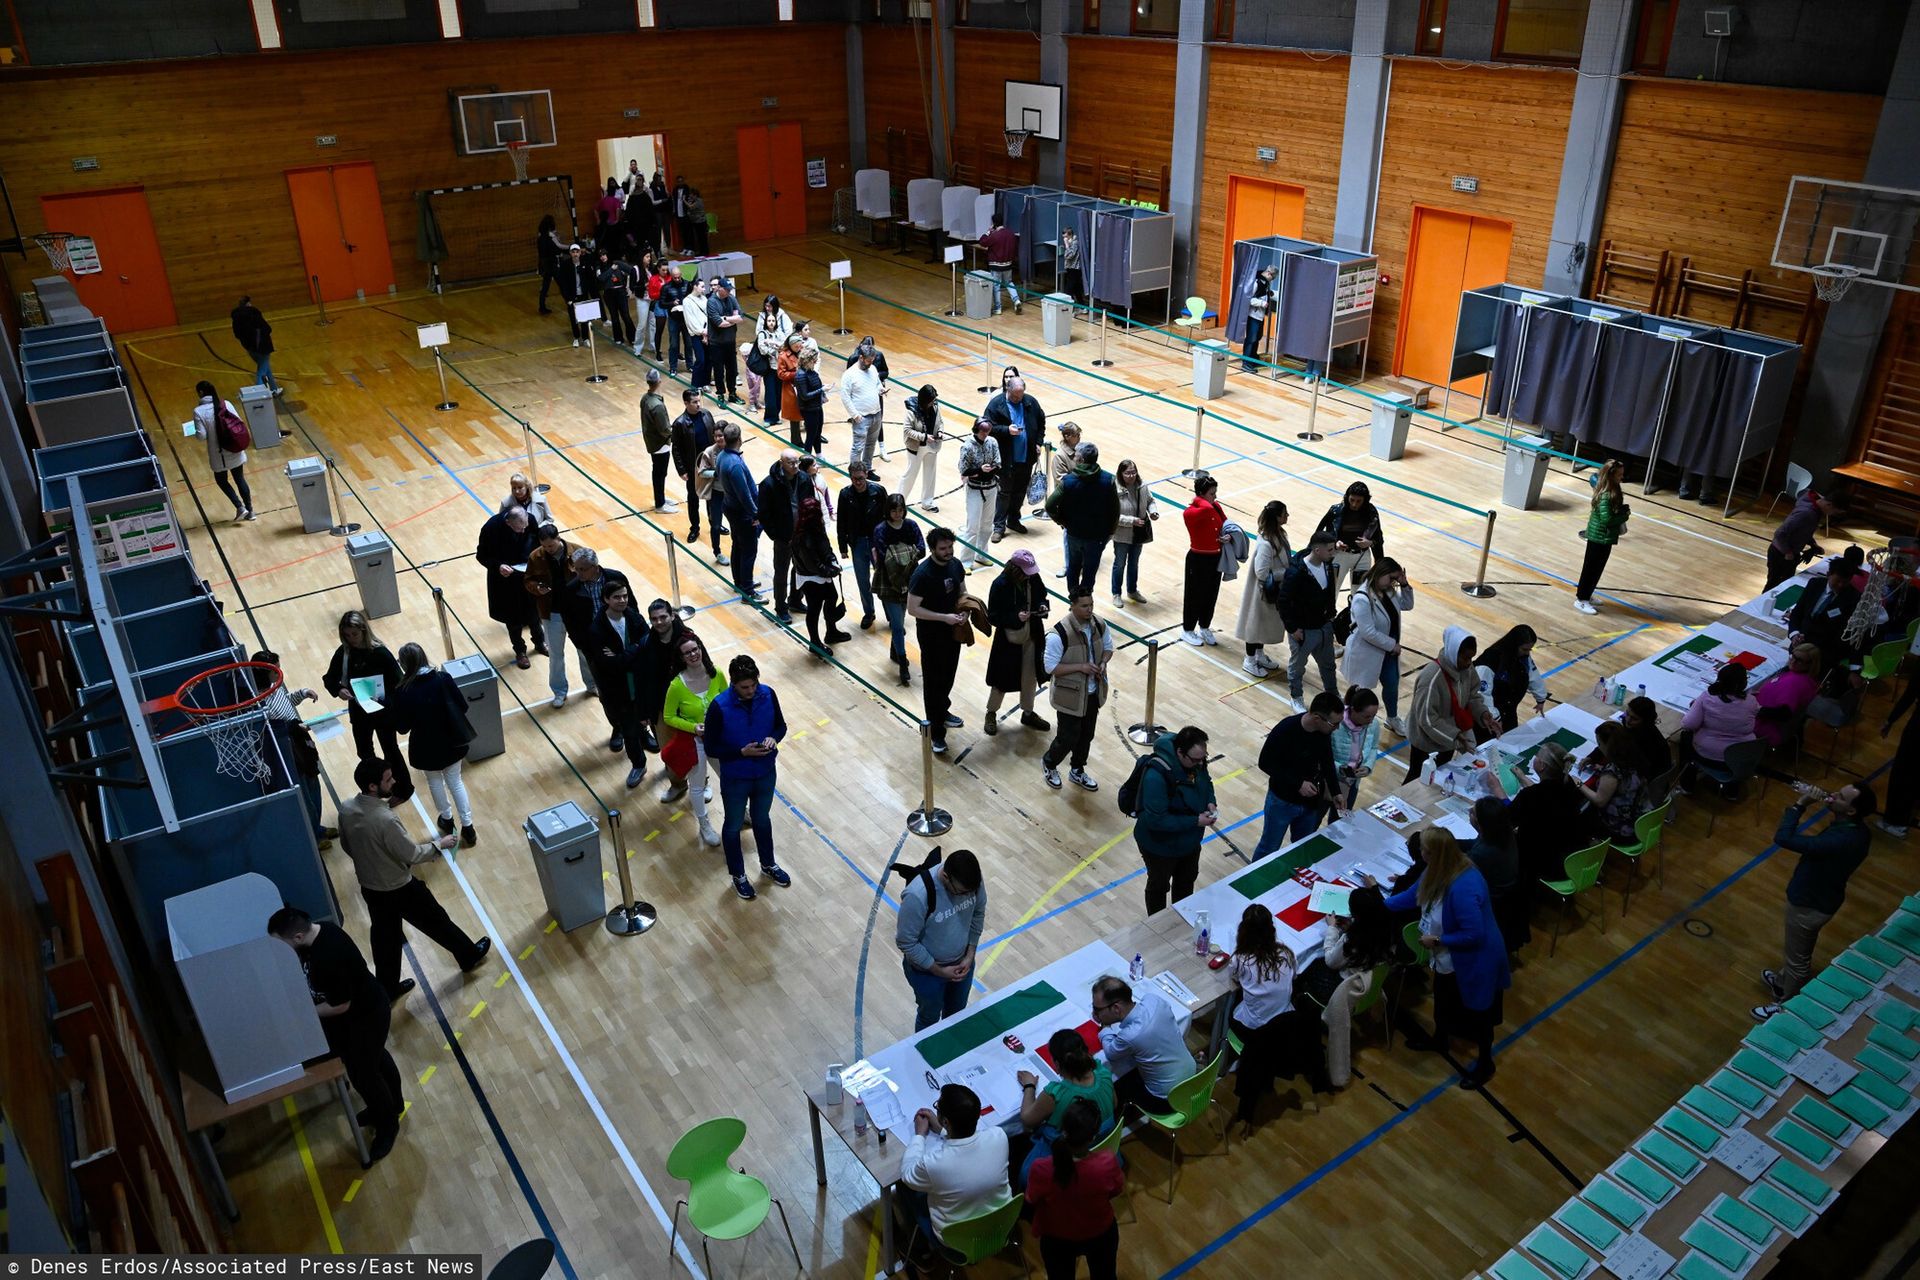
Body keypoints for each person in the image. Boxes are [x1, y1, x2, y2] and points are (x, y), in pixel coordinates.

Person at [335, 754, 491, 1006]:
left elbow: (346, 844)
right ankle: (468, 955)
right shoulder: (385, 819)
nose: (394, 781)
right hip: (399, 887)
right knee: (436, 920)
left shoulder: (347, 809)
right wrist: (439, 845)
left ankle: (387, 987)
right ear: (372, 786)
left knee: (385, 939)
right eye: (388, 779)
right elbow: (411, 853)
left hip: (370, 888)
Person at [266, 907, 406, 1163]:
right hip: (356, 1017)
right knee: (376, 1060)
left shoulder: (328, 953)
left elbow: (341, 1004)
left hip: (367, 1015)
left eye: (280, 945)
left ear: (297, 937)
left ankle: (388, 1125)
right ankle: (391, 1105)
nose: (278, 951)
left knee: (364, 1075)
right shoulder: (316, 935)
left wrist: (302, 1012)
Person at [1373, 829, 1508, 1088]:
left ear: (1432, 853)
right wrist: (1377, 906)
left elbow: (1474, 934)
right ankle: (1440, 1038)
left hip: (1476, 960)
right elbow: (1412, 895)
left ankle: (1484, 1063)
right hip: (1449, 957)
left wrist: (1438, 941)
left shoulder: (1464, 885)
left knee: (1480, 1015)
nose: (1420, 853)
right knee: (1444, 999)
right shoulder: (1436, 868)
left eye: (1423, 849)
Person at [1753, 782, 1875, 1019]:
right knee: (1793, 951)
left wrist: (1800, 805)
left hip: (1810, 904)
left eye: (1840, 796)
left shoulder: (1841, 840)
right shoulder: (1858, 830)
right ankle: (1781, 982)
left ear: (1851, 811)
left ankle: (1786, 1007)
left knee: (1799, 960)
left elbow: (1784, 838)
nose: (1833, 794)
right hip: (1821, 896)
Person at [704, 655, 793, 901]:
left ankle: (768, 864)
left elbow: (781, 726)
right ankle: (738, 876)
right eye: (745, 687)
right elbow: (711, 748)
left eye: (754, 685)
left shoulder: (768, 694)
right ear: (733, 683)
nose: (751, 691)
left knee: (762, 819)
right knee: (733, 826)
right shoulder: (719, 707)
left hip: (765, 772)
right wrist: (740, 752)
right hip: (736, 778)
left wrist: (774, 738)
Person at [1228, 905, 1325, 1131]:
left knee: (1232, 1005)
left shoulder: (1240, 960)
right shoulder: (1286, 953)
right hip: (1285, 1024)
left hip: (1255, 1030)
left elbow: (1234, 980)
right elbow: (1293, 978)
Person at [898, 1085, 1012, 1256]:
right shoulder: (998, 1136)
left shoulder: (934, 1163)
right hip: (1000, 1227)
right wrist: (945, 1131)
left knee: (904, 1187)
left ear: (946, 1121)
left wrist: (919, 1135)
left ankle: (920, 1251)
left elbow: (907, 1173)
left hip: (956, 1243)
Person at [386, 644, 477, 844]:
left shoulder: (403, 690)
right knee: (456, 781)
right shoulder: (443, 679)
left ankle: (446, 819)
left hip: (425, 747)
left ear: (404, 664)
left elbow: (402, 727)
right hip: (452, 742)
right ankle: (468, 827)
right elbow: (462, 706)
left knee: (435, 782)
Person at [1311, 885, 1400, 1088]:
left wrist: (1332, 928)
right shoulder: (1386, 931)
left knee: (1307, 970)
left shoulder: (1355, 939)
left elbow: (1331, 961)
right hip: (1371, 986)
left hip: (1344, 987)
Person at [1024, 1099, 1124, 1280]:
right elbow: (1116, 1190)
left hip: (1057, 1239)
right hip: (1101, 1233)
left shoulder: (1041, 1168)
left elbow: (1031, 1198)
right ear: (1093, 1136)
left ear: (1063, 1130)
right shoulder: (1107, 1162)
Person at [322, 611, 412, 803]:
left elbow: (399, 682)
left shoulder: (380, 653)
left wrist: (385, 699)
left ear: (364, 631)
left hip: (382, 711)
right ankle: (375, 790)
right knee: (364, 752)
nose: (351, 639)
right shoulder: (344, 653)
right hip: (359, 711)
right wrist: (339, 690)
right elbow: (329, 678)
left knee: (391, 750)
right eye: (347, 635)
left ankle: (403, 790)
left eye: (354, 634)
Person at [896, 849, 987, 1031]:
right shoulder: (917, 895)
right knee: (928, 1019)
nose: (965, 896)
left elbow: (978, 913)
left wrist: (970, 955)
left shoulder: (971, 882)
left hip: (963, 965)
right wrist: (939, 971)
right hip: (927, 974)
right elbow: (906, 942)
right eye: (960, 892)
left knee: (956, 1015)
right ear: (945, 876)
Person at [1133, 726, 1218, 914]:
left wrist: (1211, 801)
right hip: (1159, 846)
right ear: (1180, 752)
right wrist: (1195, 821)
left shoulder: (1196, 761)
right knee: (1158, 886)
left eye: (1203, 758)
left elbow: (1206, 782)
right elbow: (1157, 821)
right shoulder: (1157, 776)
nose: (1199, 763)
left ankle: (1182, 918)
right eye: (1195, 759)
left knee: (1186, 882)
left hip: (1189, 842)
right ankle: (1157, 925)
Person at [251, 650, 332, 847]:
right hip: (289, 751)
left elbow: (286, 701)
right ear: (264, 672)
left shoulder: (274, 687)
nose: (279, 672)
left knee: (314, 785)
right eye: (275, 669)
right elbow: (273, 731)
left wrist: (302, 694)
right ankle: (313, 836)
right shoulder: (257, 702)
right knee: (304, 793)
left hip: (301, 742)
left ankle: (317, 827)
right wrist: (295, 727)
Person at [1015, 1032, 1117, 1181]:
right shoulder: (1103, 1073)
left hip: (1064, 1158)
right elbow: (1114, 1104)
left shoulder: (1057, 1093)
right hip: (1103, 1147)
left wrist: (1029, 1086)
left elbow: (1027, 1119)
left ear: (1057, 1064)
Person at [1253, 691, 1345, 856]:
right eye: (1334, 724)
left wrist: (1336, 791)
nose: (1337, 728)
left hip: (1310, 803)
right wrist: (1298, 783)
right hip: (1282, 801)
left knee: (1302, 847)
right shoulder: (1286, 729)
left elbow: (1327, 762)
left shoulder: (1324, 733)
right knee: (1269, 847)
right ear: (1317, 718)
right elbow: (1265, 763)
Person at [555, 548, 630, 748]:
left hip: (622, 642)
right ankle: (618, 728)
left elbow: (632, 608)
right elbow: (569, 620)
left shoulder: (615, 578)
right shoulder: (571, 589)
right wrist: (583, 645)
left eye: (582, 569)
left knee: (632, 688)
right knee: (607, 692)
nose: (577, 573)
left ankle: (640, 729)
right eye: (576, 568)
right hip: (594, 649)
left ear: (595, 567)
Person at [1091, 975, 1196, 1115]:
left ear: (1116, 1008)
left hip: (1166, 1100)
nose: (1095, 1012)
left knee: (1115, 1081)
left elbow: (1110, 1053)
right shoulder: (1154, 1000)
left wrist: (1104, 1027)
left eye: (1097, 1009)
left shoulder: (1130, 1035)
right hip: (1193, 1078)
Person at [1041, 592, 1113, 792]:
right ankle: (1049, 763)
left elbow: (1108, 647)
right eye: (1084, 606)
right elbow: (1050, 668)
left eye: (1091, 604)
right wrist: (1081, 667)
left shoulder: (1099, 624)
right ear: (1072, 606)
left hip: (1092, 693)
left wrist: (1103, 663)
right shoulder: (1058, 634)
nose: (1089, 609)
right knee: (1067, 737)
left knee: (1086, 735)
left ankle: (1077, 769)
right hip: (1069, 695)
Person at [907, 527, 970, 754]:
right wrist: (944, 618)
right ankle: (936, 734)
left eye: (950, 547)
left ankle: (943, 712)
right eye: (943, 548)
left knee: (948, 676)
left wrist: (965, 611)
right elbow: (913, 608)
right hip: (932, 635)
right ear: (932, 549)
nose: (948, 551)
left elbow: (963, 591)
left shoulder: (955, 565)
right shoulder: (922, 574)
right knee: (933, 684)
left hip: (953, 632)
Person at [1404, 626, 1495, 780]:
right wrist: (1455, 736)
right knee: (1417, 779)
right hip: (1427, 743)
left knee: (1438, 778)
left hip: (1450, 737)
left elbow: (1472, 695)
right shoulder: (1431, 679)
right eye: (1466, 658)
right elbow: (1427, 720)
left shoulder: (1467, 669)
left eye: (1471, 658)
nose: (1469, 663)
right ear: (1453, 653)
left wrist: (1483, 713)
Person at [660, 631, 724, 848]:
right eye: (687, 653)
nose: (693, 654)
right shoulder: (677, 685)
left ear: (701, 649)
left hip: (718, 740)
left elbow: (729, 702)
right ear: (681, 657)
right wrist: (692, 727)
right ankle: (704, 824)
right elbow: (669, 717)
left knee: (728, 778)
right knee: (697, 786)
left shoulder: (717, 675)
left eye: (695, 649)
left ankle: (740, 813)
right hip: (694, 743)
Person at [589, 581, 654, 790]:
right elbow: (609, 664)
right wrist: (635, 651)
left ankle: (647, 735)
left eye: (625, 596)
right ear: (606, 599)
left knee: (651, 718)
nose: (622, 600)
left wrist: (625, 654)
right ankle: (639, 764)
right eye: (617, 597)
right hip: (618, 688)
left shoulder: (634, 616)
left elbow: (648, 642)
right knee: (629, 730)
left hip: (642, 682)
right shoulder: (597, 629)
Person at [1493, 740, 1586, 884]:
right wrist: (1523, 778)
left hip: (1544, 861)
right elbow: (1547, 796)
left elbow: (1507, 819)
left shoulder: (1531, 796)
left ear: (1542, 766)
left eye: (1537, 755)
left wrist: (1499, 793)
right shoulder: (1569, 784)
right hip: (1571, 854)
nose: (1535, 757)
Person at [1343, 558, 1413, 737]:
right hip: (1367, 652)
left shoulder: (1388, 591)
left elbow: (1407, 605)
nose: (1393, 583)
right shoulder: (1362, 598)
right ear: (1381, 573)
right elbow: (1368, 632)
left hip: (1388, 652)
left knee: (1391, 685)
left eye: (1396, 579)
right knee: (1362, 692)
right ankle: (1352, 722)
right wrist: (1392, 645)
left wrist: (1405, 585)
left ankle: (1392, 718)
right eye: (1392, 578)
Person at [524, 524, 591, 709]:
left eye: (551, 546)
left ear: (558, 538)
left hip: (576, 611)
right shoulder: (536, 557)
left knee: (584, 650)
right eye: (544, 546)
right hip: (551, 612)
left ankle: (592, 684)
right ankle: (559, 692)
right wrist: (537, 588)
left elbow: (592, 574)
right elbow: (528, 580)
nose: (547, 550)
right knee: (555, 655)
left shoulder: (578, 552)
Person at [984, 550, 1050, 734]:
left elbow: (1041, 596)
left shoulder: (1033, 577)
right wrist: (1015, 617)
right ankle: (991, 713)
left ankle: (1028, 713)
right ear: (1015, 569)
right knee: (1001, 679)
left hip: (1032, 635)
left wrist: (1042, 605)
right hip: (1008, 639)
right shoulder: (1000, 584)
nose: (1030, 574)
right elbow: (993, 616)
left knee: (1030, 677)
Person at [1047, 442, 1121, 600]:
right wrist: (1111, 531)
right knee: (1090, 571)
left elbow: (1050, 505)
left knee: (1073, 567)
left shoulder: (1068, 481)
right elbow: (1115, 511)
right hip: (1097, 536)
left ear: (1080, 459)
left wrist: (1062, 521)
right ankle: (1086, 600)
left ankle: (1074, 600)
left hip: (1074, 533)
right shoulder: (1108, 480)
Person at [1677, 663, 1760, 794]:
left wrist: (1697, 708)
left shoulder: (1707, 697)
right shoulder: (1751, 701)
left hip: (1711, 757)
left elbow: (1688, 724)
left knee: (1685, 736)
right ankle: (1731, 791)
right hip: (1742, 757)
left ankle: (1686, 785)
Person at [1280, 530, 1342, 705]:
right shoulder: (1296, 573)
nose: (1333, 553)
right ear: (1317, 550)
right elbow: (1283, 602)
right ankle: (1296, 697)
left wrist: (1331, 615)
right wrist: (1292, 629)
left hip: (1323, 626)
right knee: (1298, 668)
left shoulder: (1327, 565)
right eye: (1330, 550)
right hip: (1304, 630)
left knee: (1328, 665)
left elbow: (1329, 592)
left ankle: (1333, 694)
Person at [475, 505, 538, 670]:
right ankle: (520, 651)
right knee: (513, 618)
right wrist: (498, 566)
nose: (523, 531)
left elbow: (536, 542)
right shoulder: (490, 529)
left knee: (534, 611)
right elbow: (481, 556)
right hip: (505, 579)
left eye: (525, 527)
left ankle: (539, 642)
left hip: (526, 573)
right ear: (508, 522)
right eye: (519, 528)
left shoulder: (528, 520)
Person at [1235, 500, 1291, 678]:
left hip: (1269, 591)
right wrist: (1286, 572)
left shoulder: (1277, 535)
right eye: (1284, 513)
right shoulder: (1267, 544)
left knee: (1262, 628)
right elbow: (1261, 572)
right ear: (1277, 517)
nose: (1287, 516)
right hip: (1261, 594)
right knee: (1255, 628)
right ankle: (1249, 660)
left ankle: (1259, 655)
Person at [874, 495, 926, 687]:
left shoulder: (911, 525)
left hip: (911, 581)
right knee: (897, 624)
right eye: (894, 510)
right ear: (888, 511)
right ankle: (903, 664)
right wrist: (907, 554)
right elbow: (882, 556)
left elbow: (922, 549)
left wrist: (898, 555)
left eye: (900, 510)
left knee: (901, 619)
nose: (898, 514)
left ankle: (895, 650)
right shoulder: (880, 529)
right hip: (889, 582)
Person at [985, 378, 1046, 541]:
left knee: (1020, 492)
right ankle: (999, 526)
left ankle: (1013, 520)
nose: (1018, 399)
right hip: (1005, 459)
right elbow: (987, 428)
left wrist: (1038, 442)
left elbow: (1041, 423)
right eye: (1015, 396)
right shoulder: (996, 404)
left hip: (1026, 458)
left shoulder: (1031, 402)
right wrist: (1006, 430)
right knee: (1004, 493)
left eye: (1021, 396)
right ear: (1007, 390)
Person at [833, 461, 889, 632]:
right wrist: (843, 546)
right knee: (862, 581)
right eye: (854, 479)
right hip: (857, 543)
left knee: (883, 580)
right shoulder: (845, 494)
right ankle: (869, 613)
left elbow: (887, 517)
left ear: (866, 474)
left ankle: (890, 614)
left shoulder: (878, 491)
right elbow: (841, 521)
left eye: (860, 478)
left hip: (877, 543)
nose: (857, 482)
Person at [1467, 795, 1527, 954]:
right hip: (1509, 894)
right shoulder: (1505, 833)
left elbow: (1463, 878)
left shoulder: (1481, 853)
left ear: (1480, 824)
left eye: (1473, 813)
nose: (1469, 813)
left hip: (1493, 901)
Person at [791, 497, 850, 655]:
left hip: (821, 574)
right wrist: (831, 570)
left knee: (832, 597)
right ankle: (815, 642)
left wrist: (832, 560)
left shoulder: (815, 528)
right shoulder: (803, 537)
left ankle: (831, 631)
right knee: (814, 609)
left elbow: (826, 548)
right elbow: (813, 565)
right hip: (810, 578)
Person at [193, 380, 255, 521]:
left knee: (221, 480)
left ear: (201, 393)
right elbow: (238, 422)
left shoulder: (198, 412)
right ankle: (250, 511)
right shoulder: (226, 403)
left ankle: (239, 507)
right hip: (234, 448)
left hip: (219, 454)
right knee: (240, 479)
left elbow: (201, 436)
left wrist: (196, 430)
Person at [1786, 555, 1862, 668]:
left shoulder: (1854, 598)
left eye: (1845, 582)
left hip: (1825, 654)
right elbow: (1797, 613)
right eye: (1837, 581)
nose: (1841, 585)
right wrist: (1794, 634)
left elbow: (1851, 633)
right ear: (1828, 574)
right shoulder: (1814, 584)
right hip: (1800, 646)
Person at [1579, 721, 1650, 841]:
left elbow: (1599, 801)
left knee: (1580, 812)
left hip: (1621, 828)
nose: (1599, 747)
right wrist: (1602, 769)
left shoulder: (1612, 771)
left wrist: (1578, 783)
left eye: (1600, 744)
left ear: (1608, 746)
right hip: (1640, 818)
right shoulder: (1633, 756)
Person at [1574, 460, 1628, 615]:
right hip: (1598, 537)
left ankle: (1587, 595)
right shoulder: (1605, 495)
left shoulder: (1614, 488)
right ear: (1611, 476)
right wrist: (1624, 516)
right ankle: (1581, 600)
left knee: (1597, 569)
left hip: (1605, 538)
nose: (1622, 477)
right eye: (1619, 475)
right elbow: (1607, 520)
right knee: (1590, 569)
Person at [715, 424, 762, 601]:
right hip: (741, 512)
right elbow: (744, 495)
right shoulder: (734, 465)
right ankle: (748, 592)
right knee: (749, 550)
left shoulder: (721, 456)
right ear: (740, 439)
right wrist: (756, 514)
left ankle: (740, 582)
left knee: (738, 545)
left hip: (730, 507)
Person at [758, 449, 804, 625]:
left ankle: (795, 600)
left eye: (797, 462)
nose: (796, 466)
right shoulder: (769, 484)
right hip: (783, 537)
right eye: (791, 463)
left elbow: (809, 504)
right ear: (781, 463)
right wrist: (776, 535)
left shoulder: (804, 479)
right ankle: (781, 607)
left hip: (801, 535)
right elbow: (764, 514)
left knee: (800, 569)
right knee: (781, 572)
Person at [669, 387, 718, 553]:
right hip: (693, 466)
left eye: (699, 401)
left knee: (713, 496)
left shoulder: (706, 415)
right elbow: (675, 449)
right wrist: (682, 470)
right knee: (693, 498)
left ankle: (715, 524)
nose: (698, 404)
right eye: (695, 402)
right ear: (686, 403)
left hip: (709, 464)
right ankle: (695, 527)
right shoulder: (680, 423)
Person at [1180, 474, 1227, 646]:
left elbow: (1224, 524)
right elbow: (1187, 515)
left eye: (1215, 493)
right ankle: (1188, 629)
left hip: (1215, 557)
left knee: (1210, 594)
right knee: (1194, 595)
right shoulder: (1197, 509)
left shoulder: (1215, 506)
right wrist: (1204, 505)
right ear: (1202, 494)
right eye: (1212, 493)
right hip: (1198, 558)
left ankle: (1205, 626)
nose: (1215, 496)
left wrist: (1225, 536)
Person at [1475, 624, 1548, 734]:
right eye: (1524, 649)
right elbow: (1482, 694)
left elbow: (1533, 674)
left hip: (1508, 713)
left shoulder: (1522, 656)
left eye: (1529, 650)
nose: (1527, 653)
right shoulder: (1490, 660)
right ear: (1514, 644)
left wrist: (1540, 698)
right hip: (1487, 720)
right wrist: (1494, 718)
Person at [1312, 482, 1384, 586]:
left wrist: (1370, 543)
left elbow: (1378, 538)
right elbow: (1319, 533)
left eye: (1359, 501)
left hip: (1362, 557)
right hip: (1340, 556)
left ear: (1365, 501)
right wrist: (1334, 543)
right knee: (1332, 591)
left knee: (1359, 593)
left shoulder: (1371, 512)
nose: (1354, 504)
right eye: (1352, 500)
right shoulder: (1336, 510)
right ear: (1347, 497)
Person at [1753, 643, 1823, 750]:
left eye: (1799, 660)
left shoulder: (1795, 683)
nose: (1793, 662)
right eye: (1793, 657)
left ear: (1810, 664)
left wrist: (1754, 709)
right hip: (1767, 721)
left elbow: (1784, 714)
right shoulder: (1802, 677)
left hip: (1765, 728)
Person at [1767, 487, 1839, 589]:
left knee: (1784, 584)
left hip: (1791, 553)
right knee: (1773, 585)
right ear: (1829, 505)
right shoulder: (1806, 513)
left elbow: (1802, 531)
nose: (1833, 515)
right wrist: (1787, 552)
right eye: (1835, 512)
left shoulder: (1816, 510)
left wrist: (1812, 544)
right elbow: (1780, 533)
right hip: (1780, 554)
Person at [957, 418, 1002, 567]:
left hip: (991, 487)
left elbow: (998, 463)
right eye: (982, 430)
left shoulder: (993, 442)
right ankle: (965, 561)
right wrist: (979, 471)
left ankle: (981, 554)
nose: (985, 433)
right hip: (975, 490)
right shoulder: (967, 446)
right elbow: (964, 470)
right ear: (976, 429)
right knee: (973, 526)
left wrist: (984, 471)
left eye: (987, 430)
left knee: (987, 525)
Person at [1110, 459, 1153, 610]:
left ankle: (1132, 590)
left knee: (1134, 564)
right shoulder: (1114, 489)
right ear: (1121, 474)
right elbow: (1112, 516)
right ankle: (1116, 593)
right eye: (1128, 473)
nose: (1131, 475)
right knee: (1119, 564)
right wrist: (1131, 521)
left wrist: (1153, 511)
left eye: (1133, 472)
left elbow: (1150, 500)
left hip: (1138, 534)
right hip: (1122, 534)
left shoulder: (1142, 486)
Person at [1329, 686, 1381, 809]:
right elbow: (1322, 754)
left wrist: (1368, 766)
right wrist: (1339, 768)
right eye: (1367, 716)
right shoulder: (1335, 725)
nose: (1371, 720)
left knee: (1341, 820)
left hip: (1352, 782)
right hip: (1329, 780)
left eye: (1374, 715)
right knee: (1316, 817)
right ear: (1353, 710)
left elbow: (1373, 747)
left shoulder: (1373, 725)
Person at [839, 344, 887, 473]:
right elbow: (845, 396)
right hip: (861, 417)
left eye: (872, 361)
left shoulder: (873, 369)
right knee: (858, 448)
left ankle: (867, 470)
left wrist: (881, 390)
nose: (870, 364)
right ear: (861, 357)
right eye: (868, 361)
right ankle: (855, 474)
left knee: (871, 445)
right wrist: (855, 415)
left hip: (876, 414)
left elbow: (876, 384)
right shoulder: (849, 375)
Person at [900, 385, 947, 512]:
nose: (933, 403)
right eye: (931, 400)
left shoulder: (936, 407)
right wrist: (924, 437)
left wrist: (941, 432)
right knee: (910, 474)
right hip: (916, 447)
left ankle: (927, 502)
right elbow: (907, 430)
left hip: (932, 445)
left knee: (930, 475)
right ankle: (900, 501)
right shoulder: (912, 410)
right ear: (924, 400)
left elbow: (940, 422)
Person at [638, 368, 677, 515]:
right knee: (660, 473)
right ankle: (660, 504)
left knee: (659, 472)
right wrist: (675, 437)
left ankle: (661, 498)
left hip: (652, 439)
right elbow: (665, 429)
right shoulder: (657, 405)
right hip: (660, 443)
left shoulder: (645, 398)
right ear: (659, 381)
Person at [753, 296, 794, 425]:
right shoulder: (762, 334)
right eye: (766, 306)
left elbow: (784, 343)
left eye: (770, 306)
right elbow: (763, 348)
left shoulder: (781, 329)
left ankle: (776, 416)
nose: (767, 309)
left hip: (780, 366)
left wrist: (774, 344)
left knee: (778, 392)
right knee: (770, 393)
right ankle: (769, 418)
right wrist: (775, 348)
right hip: (769, 367)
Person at [230, 295, 280, 394]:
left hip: (249, 347)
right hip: (262, 346)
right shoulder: (254, 313)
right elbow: (267, 328)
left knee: (265, 366)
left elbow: (237, 334)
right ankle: (258, 394)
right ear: (248, 303)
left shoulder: (236, 317)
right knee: (261, 372)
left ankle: (274, 389)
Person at [706, 278, 743, 404]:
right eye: (726, 290)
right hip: (716, 343)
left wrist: (727, 318)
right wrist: (731, 320)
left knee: (732, 369)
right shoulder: (711, 302)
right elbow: (719, 323)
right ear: (719, 289)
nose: (728, 292)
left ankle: (732, 393)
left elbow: (740, 318)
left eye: (729, 290)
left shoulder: (731, 299)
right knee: (719, 370)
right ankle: (720, 394)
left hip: (730, 341)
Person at [979, 213, 1022, 315]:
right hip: (1008, 264)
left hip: (996, 264)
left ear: (994, 223)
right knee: (1009, 282)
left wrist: (988, 232)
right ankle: (1016, 300)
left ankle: (998, 308)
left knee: (996, 285)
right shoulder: (1011, 234)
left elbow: (982, 242)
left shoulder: (995, 235)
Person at [596, 247, 636, 350]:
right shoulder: (599, 267)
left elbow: (632, 270)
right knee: (614, 317)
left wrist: (631, 287)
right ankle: (618, 338)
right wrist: (611, 270)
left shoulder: (617, 263)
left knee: (626, 315)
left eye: (604, 254)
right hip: (609, 294)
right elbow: (601, 278)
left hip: (620, 292)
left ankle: (633, 337)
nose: (603, 257)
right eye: (601, 256)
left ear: (607, 254)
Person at [554, 243, 594, 346]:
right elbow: (563, 284)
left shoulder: (585, 263)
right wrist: (567, 298)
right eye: (573, 252)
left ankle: (585, 338)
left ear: (580, 253)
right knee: (573, 318)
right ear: (570, 253)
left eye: (577, 252)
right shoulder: (565, 265)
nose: (575, 254)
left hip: (583, 295)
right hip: (572, 296)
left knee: (584, 318)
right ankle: (576, 337)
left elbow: (590, 278)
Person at [1241, 265, 1276, 372]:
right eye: (1273, 277)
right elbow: (1248, 299)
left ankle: (1252, 357)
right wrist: (1261, 303)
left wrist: (1269, 294)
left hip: (1259, 315)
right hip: (1253, 315)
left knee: (1257, 337)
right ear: (1269, 274)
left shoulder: (1265, 282)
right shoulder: (1257, 282)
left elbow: (1261, 293)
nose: (1273, 280)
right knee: (1251, 338)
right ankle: (1246, 363)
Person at [777, 331, 808, 448]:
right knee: (794, 417)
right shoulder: (783, 356)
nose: (799, 347)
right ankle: (796, 441)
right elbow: (781, 374)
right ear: (791, 345)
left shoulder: (802, 352)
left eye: (800, 345)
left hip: (803, 386)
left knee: (805, 414)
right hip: (791, 389)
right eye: (796, 346)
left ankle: (810, 438)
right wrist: (796, 374)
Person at [680, 277, 711, 388]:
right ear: (695, 286)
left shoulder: (704, 299)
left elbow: (708, 315)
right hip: (697, 335)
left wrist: (708, 330)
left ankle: (705, 382)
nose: (704, 289)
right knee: (701, 360)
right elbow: (690, 320)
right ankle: (696, 384)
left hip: (707, 333)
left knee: (708, 359)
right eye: (702, 287)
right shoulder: (687, 301)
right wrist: (701, 331)